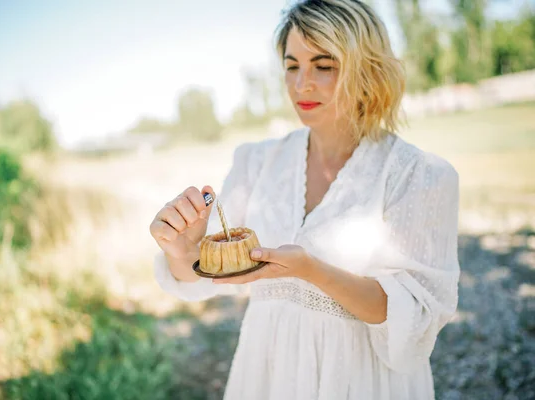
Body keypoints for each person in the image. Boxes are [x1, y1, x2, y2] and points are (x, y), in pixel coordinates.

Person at [149, 0, 460, 399]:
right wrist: (184, 251)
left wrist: (311, 270)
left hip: (360, 378)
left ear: (367, 68)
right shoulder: (257, 161)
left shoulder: (419, 174)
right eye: (292, 65)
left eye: (324, 65)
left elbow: (415, 315)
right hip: (268, 371)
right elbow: (206, 277)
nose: (301, 85)